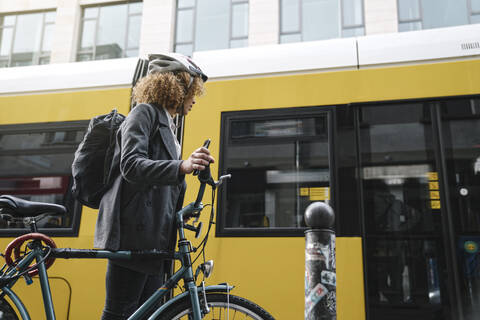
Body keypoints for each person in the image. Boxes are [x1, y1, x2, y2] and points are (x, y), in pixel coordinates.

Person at [94, 53, 214, 320]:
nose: (195, 99)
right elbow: (132, 166)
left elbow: (164, 187)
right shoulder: (143, 113)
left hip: (155, 236)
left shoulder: (170, 125)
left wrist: (186, 206)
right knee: (120, 312)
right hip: (133, 234)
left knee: (149, 314)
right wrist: (181, 166)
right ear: (177, 87)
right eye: (192, 91)